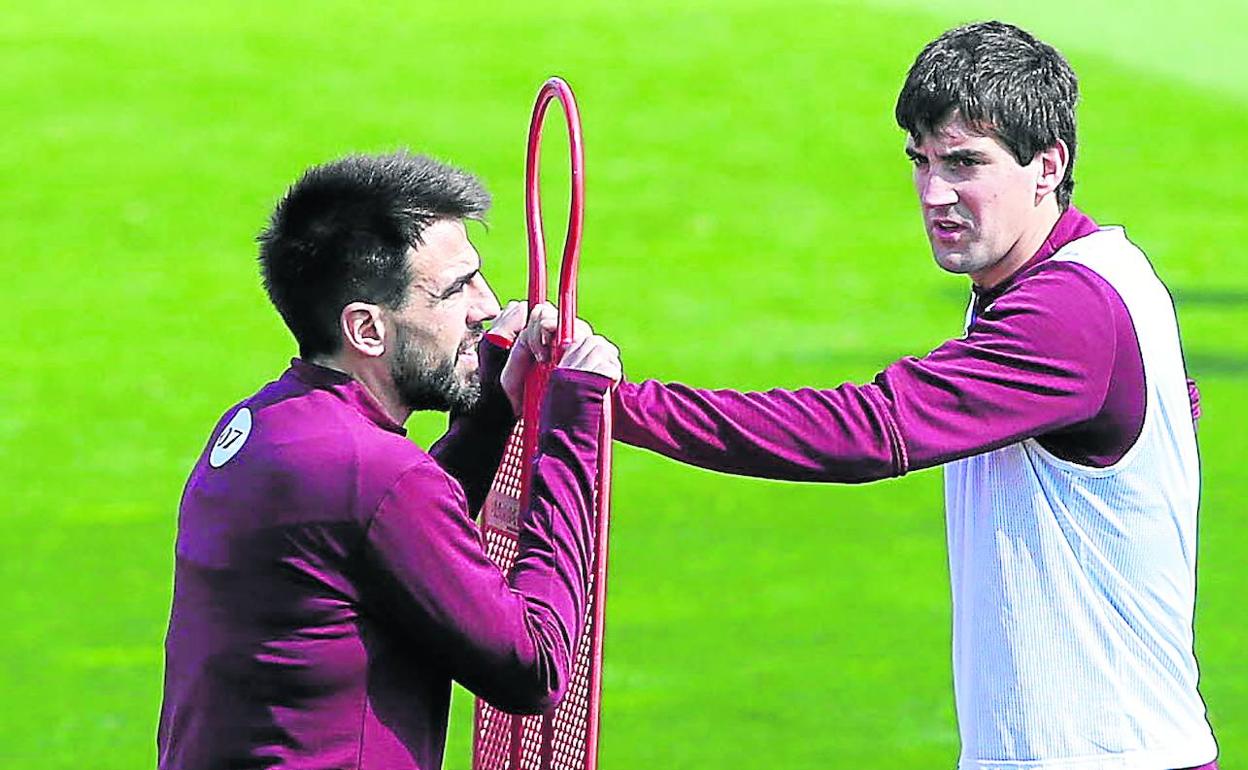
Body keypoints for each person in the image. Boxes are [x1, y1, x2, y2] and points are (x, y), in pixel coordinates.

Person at [598, 20, 1217, 770]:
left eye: (964, 163)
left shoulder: (1066, 314)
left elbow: (866, 430)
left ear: (1047, 165)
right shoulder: (1092, 273)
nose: (934, 194)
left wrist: (612, 402)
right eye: (920, 162)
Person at [156, 151, 622, 770]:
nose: (487, 307)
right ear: (367, 329)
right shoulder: (372, 473)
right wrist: (569, 435)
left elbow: (388, 538)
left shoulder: (264, 427)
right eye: (456, 289)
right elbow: (532, 670)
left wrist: (492, 413)